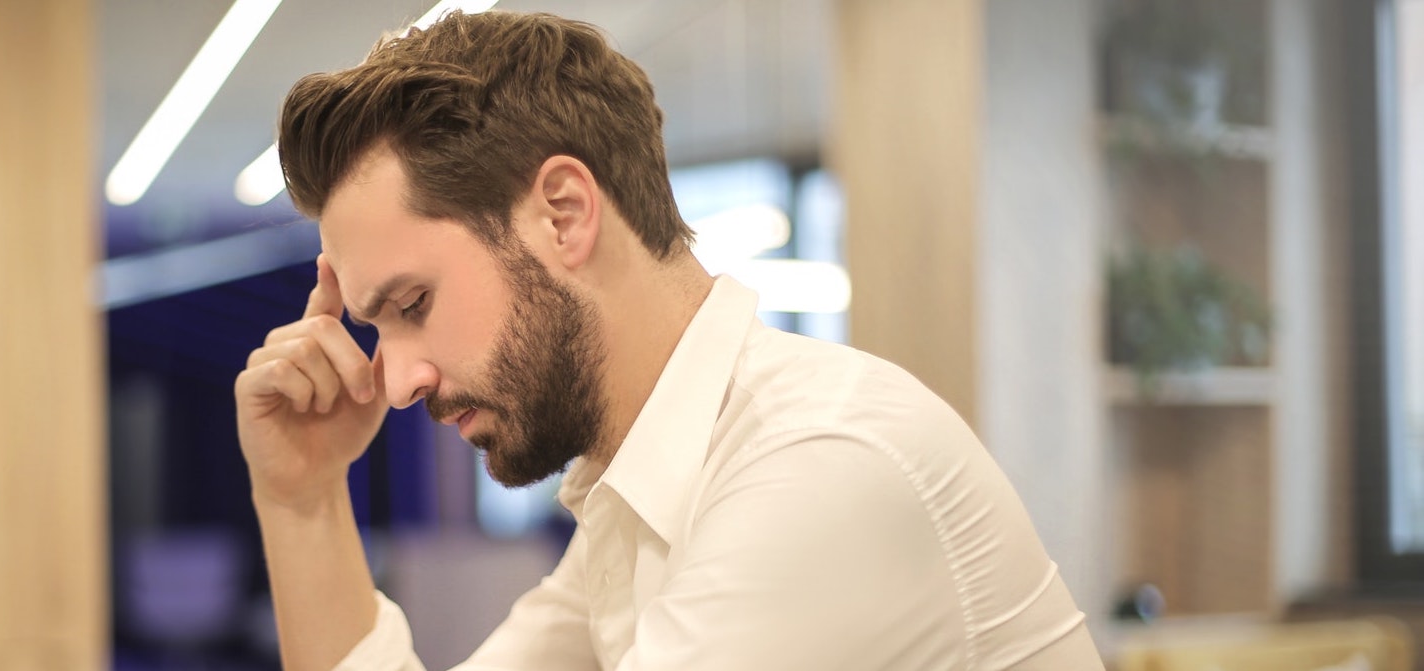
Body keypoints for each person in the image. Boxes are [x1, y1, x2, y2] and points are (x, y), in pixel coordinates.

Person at [233, 10, 1104, 671]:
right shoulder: (639, 503)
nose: (394, 382)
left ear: (562, 214)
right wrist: (302, 496)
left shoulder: (817, 465)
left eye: (413, 302)